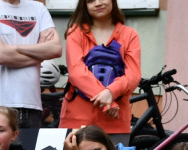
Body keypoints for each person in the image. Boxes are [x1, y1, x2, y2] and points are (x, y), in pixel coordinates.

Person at [0, 0, 62, 130]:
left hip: (31, 105)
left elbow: (56, 49)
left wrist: (14, 48)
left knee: (29, 144)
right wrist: (40, 54)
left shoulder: (39, 8)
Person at [58, 0, 140, 133]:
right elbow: (77, 73)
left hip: (115, 121)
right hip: (77, 118)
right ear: (84, 5)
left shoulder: (129, 35)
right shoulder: (76, 32)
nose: (97, 3)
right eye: (90, 1)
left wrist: (111, 92)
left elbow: (133, 75)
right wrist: (108, 103)